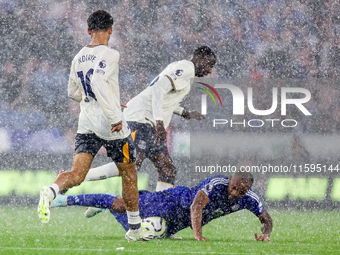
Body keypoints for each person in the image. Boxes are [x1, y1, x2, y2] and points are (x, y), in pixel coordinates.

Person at [37, 9, 151, 242]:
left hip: (86, 122)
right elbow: (98, 81)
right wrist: (114, 116)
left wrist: (96, 100)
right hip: (109, 125)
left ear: (88, 30)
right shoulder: (111, 54)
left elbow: (72, 92)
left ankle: (51, 191)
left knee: (78, 174)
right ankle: (135, 229)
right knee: (129, 172)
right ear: (110, 30)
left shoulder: (78, 57)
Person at [81, 46, 217, 192]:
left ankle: (156, 212)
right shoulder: (187, 68)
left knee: (167, 169)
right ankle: (77, 175)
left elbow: (163, 96)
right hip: (140, 117)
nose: (210, 71)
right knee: (131, 164)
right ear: (200, 58)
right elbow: (158, 88)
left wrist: (184, 113)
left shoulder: (181, 68)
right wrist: (159, 122)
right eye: (209, 65)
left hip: (149, 122)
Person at [52, 172, 273, 241]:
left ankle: (118, 201)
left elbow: (267, 220)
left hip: (179, 223)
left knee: (141, 235)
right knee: (122, 206)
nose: (234, 193)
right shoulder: (217, 183)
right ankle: (63, 200)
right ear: (231, 181)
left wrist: (266, 234)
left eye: (239, 192)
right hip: (172, 202)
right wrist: (198, 235)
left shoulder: (249, 199)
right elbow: (196, 206)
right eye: (233, 188)